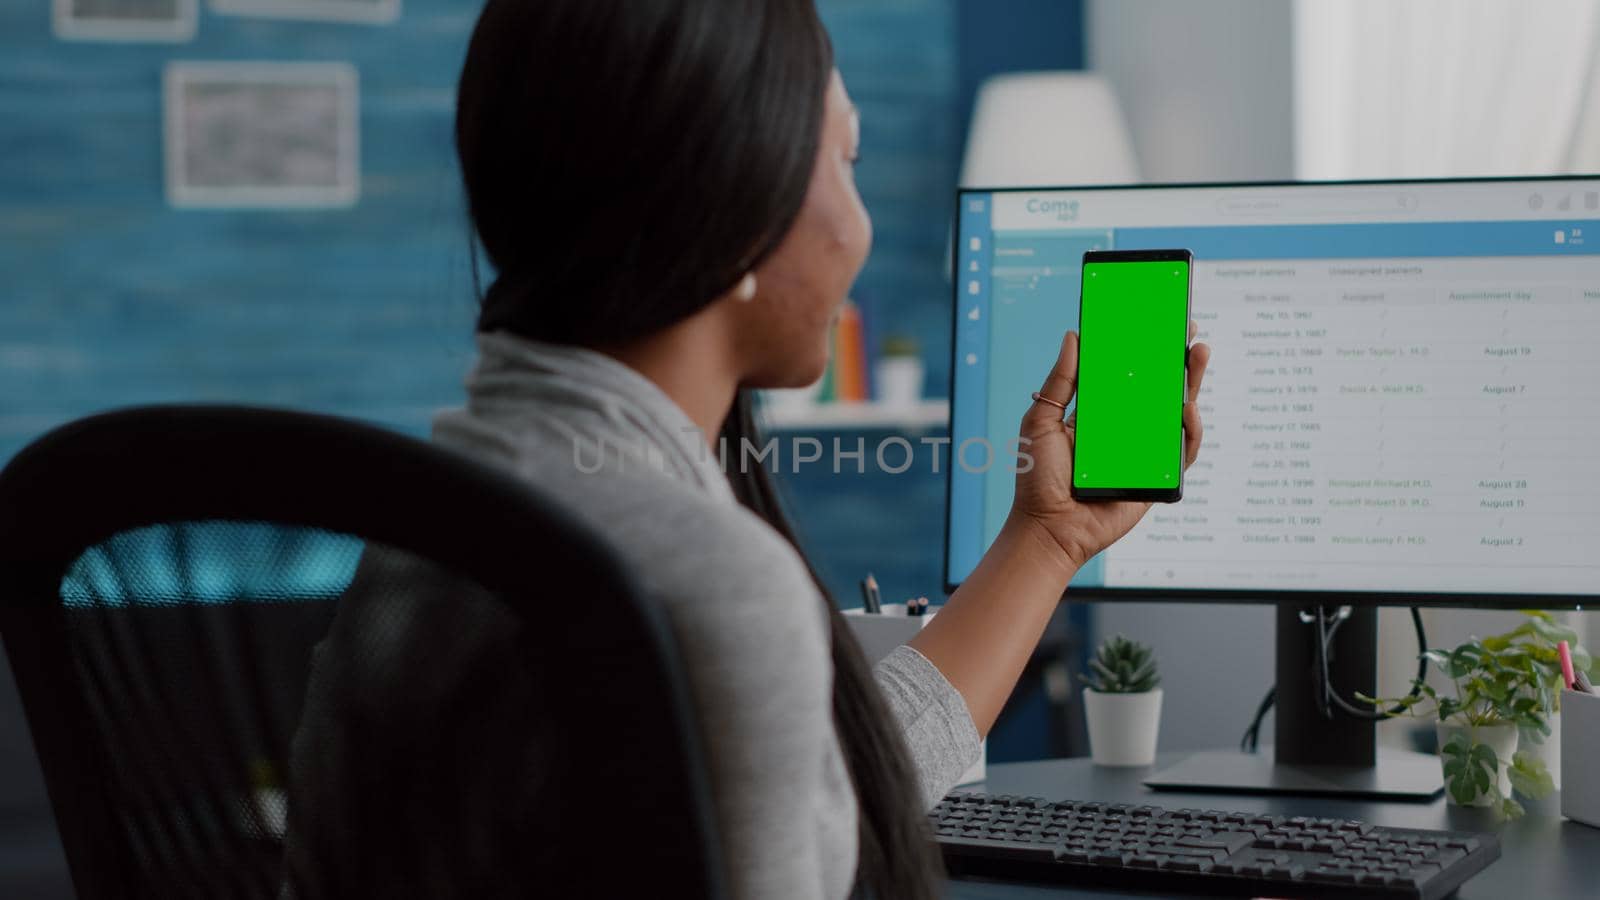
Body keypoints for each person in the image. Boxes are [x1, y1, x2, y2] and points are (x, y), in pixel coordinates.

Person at [284, 1, 1210, 898]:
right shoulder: (708, 583)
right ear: (738, 205)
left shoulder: (430, 529)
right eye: (846, 162)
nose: (861, 227)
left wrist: (1047, 540)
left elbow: (829, 795)